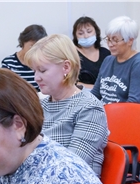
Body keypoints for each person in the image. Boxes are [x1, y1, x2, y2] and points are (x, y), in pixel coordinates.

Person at [25, 34, 109, 176]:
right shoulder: (39, 105)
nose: (36, 78)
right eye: (34, 71)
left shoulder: (89, 108)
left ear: (66, 67)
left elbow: (71, 167)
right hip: (39, 180)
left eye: (43, 70)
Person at [91, 16, 140, 107]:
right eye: (108, 39)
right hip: (105, 116)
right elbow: (95, 94)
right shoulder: (108, 60)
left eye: (115, 40)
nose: (110, 44)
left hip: (129, 117)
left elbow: (133, 105)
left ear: (130, 41)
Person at [1, 24, 47, 92]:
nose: (34, 50)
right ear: (23, 42)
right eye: (31, 46)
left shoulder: (42, 63)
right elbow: (5, 89)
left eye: (39, 47)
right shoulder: (9, 63)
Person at [72, 16, 111, 88]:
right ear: (75, 36)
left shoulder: (106, 53)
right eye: (81, 33)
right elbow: (71, 82)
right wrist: (95, 88)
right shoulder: (72, 55)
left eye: (89, 31)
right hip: (81, 95)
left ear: (96, 32)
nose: (86, 36)